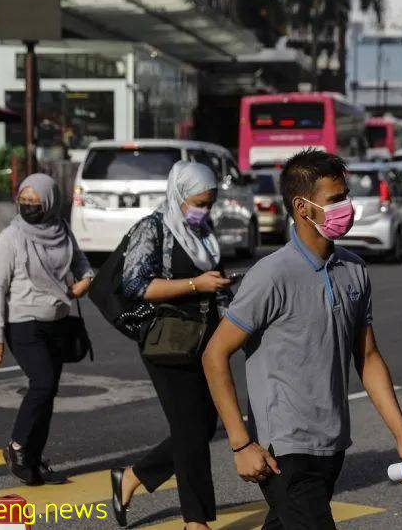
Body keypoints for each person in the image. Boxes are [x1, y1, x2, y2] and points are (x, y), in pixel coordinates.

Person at [203, 149, 402, 530]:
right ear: (302, 208)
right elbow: (215, 354)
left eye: (346, 196)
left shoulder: (354, 269)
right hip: (283, 447)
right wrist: (241, 444)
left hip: (333, 443)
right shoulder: (271, 275)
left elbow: (368, 357)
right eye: (335, 200)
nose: (347, 208)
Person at [110, 161, 232, 530]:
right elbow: (135, 285)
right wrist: (195, 285)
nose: (203, 210)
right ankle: (196, 521)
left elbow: (213, 281)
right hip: (168, 340)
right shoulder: (152, 228)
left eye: (209, 203)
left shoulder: (203, 230)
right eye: (198, 202)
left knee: (205, 424)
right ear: (178, 194)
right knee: (189, 429)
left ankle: (133, 477)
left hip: (206, 338)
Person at [0, 173, 94, 485]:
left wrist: (84, 283)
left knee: (48, 394)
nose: (29, 206)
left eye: (35, 202)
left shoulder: (61, 231)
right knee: (43, 384)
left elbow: (83, 267)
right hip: (24, 324)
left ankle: (32, 460)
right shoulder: (11, 238)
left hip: (58, 323)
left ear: (49, 202)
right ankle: (17, 446)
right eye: (24, 201)